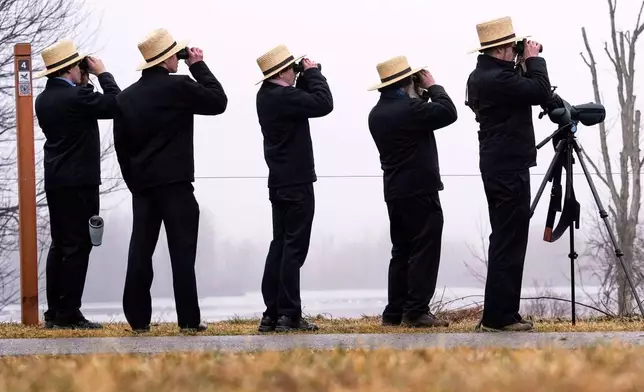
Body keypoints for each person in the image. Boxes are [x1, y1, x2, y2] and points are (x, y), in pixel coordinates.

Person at [112, 28, 228, 333]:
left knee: (140, 250)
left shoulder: (125, 98)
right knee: (182, 252)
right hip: (175, 183)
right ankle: (188, 319)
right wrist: (198, 65)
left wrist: (134, 182)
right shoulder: (179, 87)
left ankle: (138, 319)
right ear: (166, 59)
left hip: (142, 186)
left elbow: (121, 147)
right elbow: (218, 101)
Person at [465, 16, 553, 332]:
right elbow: (540, 92)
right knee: (507, 240)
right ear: (502, 48)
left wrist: (522, 64)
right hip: (507, 167)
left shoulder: (483, 75)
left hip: (500, 164)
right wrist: (534, 60)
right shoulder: (495, 80)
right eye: (513, 47)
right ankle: (498, 317)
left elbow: (527, 90)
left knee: (508, 239)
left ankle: (504, 312)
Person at [34, 39, 121, 329]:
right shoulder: (76, 98)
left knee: (60, 245)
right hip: (79, 181)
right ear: (70, 67)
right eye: (79, 65)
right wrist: (102, 74)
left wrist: (84, 83)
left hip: (56, 180)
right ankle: (69, 312)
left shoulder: (44, 99)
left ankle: (54, 312)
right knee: (79, 245)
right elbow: (115, 104)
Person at [367, 56, 458, 328]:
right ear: (407, 83)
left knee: (401, 250)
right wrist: (433, 87)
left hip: (395, 191)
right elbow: (448, 112)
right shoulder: (410, 110)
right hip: (421, 189)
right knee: (425, 250)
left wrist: (419, 95)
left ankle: (394, 311)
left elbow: (417, 116)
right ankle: (417, 310)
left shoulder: (378, 113)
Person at [254, 44, 333, 332]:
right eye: (292, 68)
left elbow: (303, 100)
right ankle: (289, 314)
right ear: (282, 71)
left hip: (278, 181)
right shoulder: (285, 97)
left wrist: (302, 79)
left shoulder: (266, 95)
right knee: (294, 249)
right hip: (297, 182)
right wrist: (313, 74)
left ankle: (271, 313)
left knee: (279, 246)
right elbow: (324, 104)